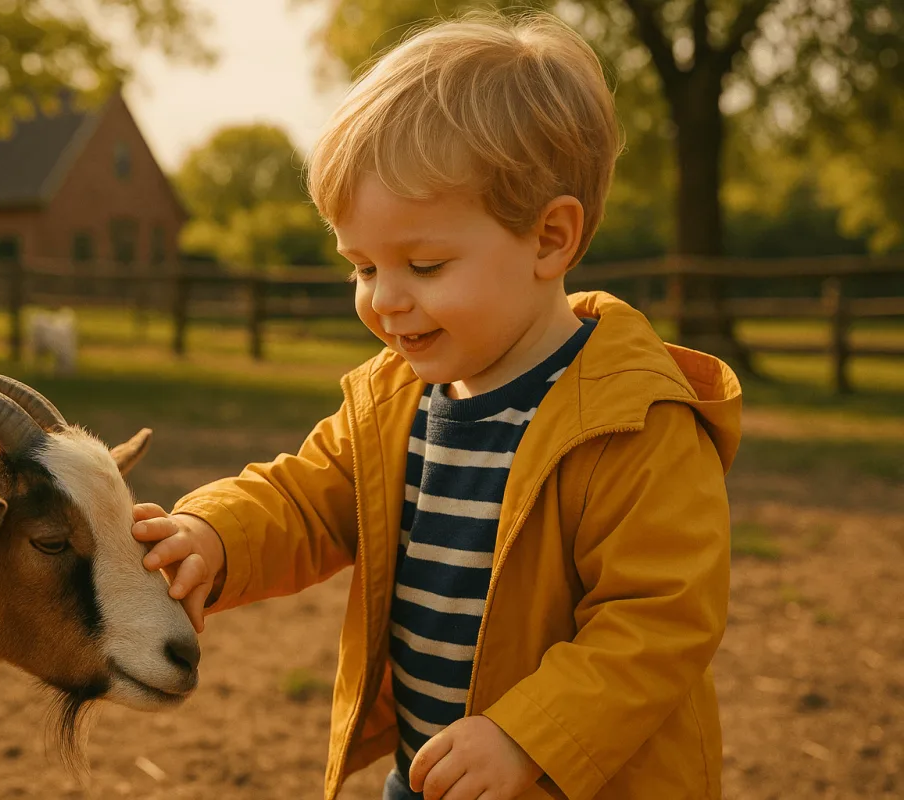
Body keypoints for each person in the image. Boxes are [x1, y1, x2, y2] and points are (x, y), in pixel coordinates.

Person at [131, 10, 742, 800]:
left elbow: (658, 624)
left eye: (423, 264)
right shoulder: (393, 402)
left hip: (575, 781)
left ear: (550, 239)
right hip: (430, 777)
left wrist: (528, 737)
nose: (385, 301)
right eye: (361, 267)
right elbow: (304, 499)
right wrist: (212, 534)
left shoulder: (634, 421)